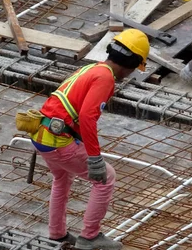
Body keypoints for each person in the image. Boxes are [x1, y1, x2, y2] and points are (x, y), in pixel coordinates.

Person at [30, 29, 150, 250]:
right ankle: (90, 237)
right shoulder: (105, 78)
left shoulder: (92, 68)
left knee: (62, 178)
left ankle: (57, 234)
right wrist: (95, 158)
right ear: (131, 64)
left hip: (41, 135)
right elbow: (87, 117)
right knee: (106, 177)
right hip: (58, 140)